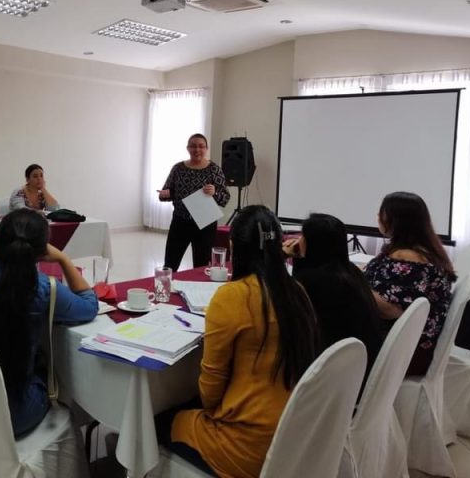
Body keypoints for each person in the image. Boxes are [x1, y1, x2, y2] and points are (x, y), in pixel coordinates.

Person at [160, 205, 320, 478]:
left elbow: (210, 394)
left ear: (233, 247)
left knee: (157, 421)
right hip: (295, 437)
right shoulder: (297, 292)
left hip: (245, 447)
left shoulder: (232, 296)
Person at [0, 208, 97, 437]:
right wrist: (64, 259)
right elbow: (89, 306)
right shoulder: (42, 288)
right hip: (12, 415)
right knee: (51, 369)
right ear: (41, 251)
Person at [364, 191, 456, 376]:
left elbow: (393, 310)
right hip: (409, 343)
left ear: (396, 221)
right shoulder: (418, 248)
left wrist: (355, 285)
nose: (378, 216)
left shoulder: (409, 258)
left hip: (406, 352)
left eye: (382, 213)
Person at [285, 213, 382, 382]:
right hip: (365, 369)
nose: (298, 241)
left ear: (313, 243)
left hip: (338, 377)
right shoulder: (350, 271)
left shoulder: (313, 282)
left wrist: (285, 256)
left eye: (303, 237)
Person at [159, 134, 230, 271]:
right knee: (170, 264)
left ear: (206, 149)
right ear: (187, 148)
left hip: (205, 224)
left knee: (201, 267)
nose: (197, 150)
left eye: (201, 146)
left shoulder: (214, 169)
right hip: (180, 222)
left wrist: (214, 192)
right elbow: (165, 193)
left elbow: (225, 198)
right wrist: (165, 194)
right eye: (193, 146)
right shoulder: (178, 168)